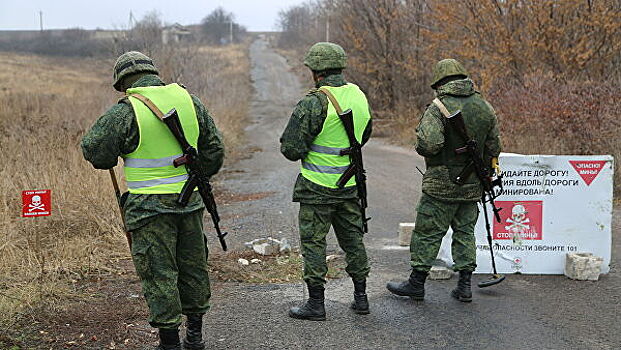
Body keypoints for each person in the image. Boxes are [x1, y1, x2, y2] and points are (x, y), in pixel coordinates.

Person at [81, 51, 224, 350]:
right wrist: (195, 178)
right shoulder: (189, 100)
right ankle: (195, 338)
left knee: (159, 273)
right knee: (193, 267)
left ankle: (169, 343)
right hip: (191, 204)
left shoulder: (126, 110)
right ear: (154, 73)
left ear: (123, 83)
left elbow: (96, 153)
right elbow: (214, 150)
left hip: (148, 209)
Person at [386, 59, 501, 303]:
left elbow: (429, 144)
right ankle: (464, 286)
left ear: (439, 83)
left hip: (441, 184)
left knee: (428, 232)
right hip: (472, 185)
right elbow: (494, 148)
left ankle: (416, 284)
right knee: (465, 232)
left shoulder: (438, 107)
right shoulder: (485, 107)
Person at [280, 42, 373, 320]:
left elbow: (291, 149)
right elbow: (364, 134)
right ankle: (361, 297)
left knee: (314, 243)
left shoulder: (314, 102)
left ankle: (316, 304)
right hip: (348, 185)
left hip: (316, 187)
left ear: (315, 71)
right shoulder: (358, 95)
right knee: (353, 241)